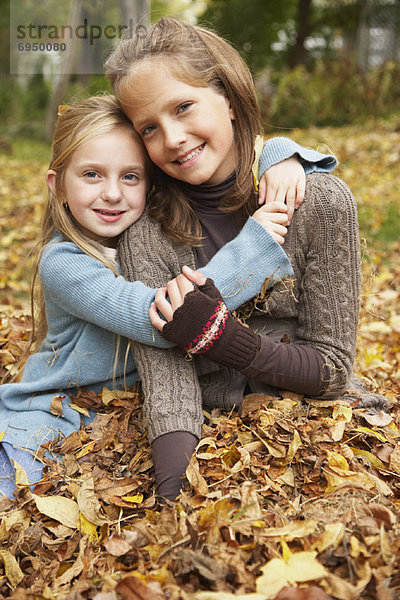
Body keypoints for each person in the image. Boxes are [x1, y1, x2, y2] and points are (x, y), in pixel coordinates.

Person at [104, 17, 384, 503]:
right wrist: (172, 500)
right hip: (211, 438)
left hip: (318, 420)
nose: (172, 138)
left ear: (228, 99)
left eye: (184, 107)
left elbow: (335, 367)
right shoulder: (146, 232)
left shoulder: (317, 203)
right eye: (149, 127)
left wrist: (226, 340)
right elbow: (168, 383)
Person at [0, 94, 328, 499]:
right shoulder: (63, 262)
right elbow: (165, 320)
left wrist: (281, 154)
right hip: (56, 411)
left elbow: (213, 161)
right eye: (91, 175)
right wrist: (254, 249)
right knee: (14, 493)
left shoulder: (151, 236)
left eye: (130, 177)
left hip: (126, 416)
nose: (112, 194)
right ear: (58, 186)